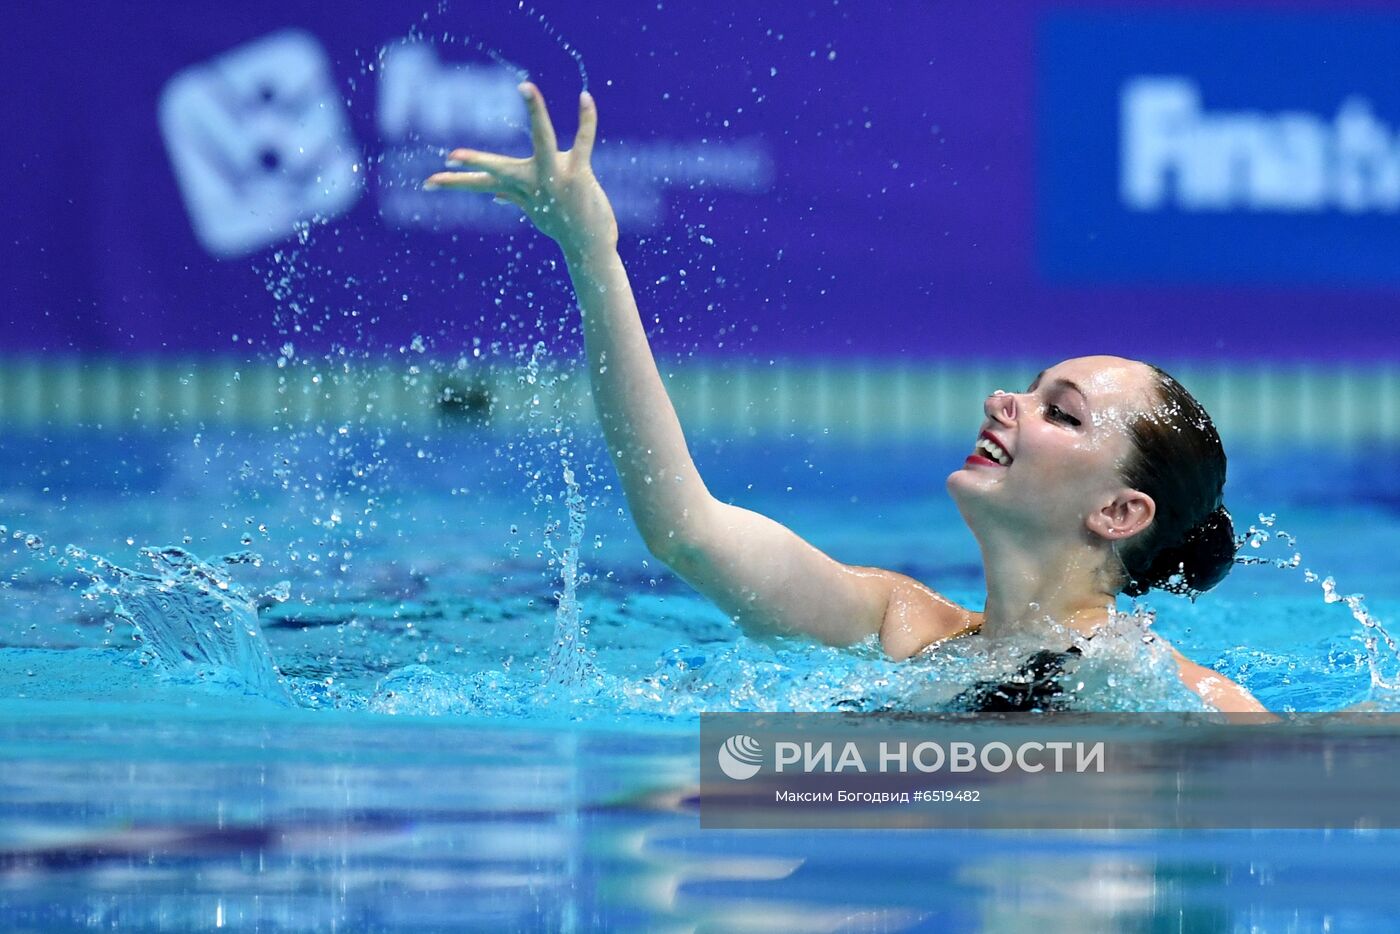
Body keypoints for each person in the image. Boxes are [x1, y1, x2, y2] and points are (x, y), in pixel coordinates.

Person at [426, 84, 1268, 714]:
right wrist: (593, 252)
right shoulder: (897, 626)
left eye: (1060, 410)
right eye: (1030, 387)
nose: (1003, 401)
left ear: (1121, 512)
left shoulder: (1182, 700)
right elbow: (686, 532)